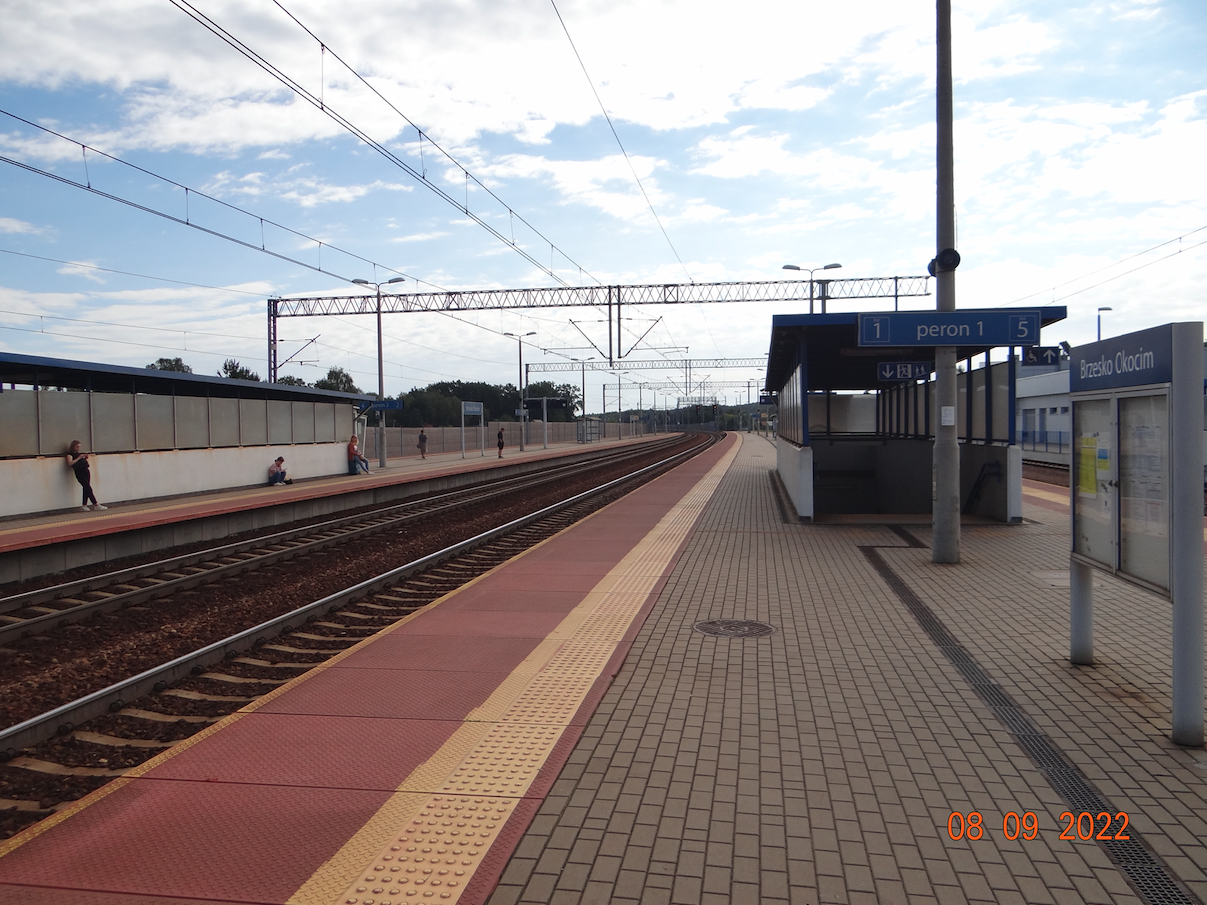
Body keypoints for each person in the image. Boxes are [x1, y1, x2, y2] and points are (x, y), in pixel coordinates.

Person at [66, 440, 106, 511]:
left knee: (86, 488)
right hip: (79, 472)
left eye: (79, 447)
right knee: (88, 487)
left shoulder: (79, 454)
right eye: (77, 447)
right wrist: (79, 458)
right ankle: (95, 504)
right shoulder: (70, 454)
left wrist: (84, 457)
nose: (78, 448)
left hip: (85, 470)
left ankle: (84, 505)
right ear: (73, 446)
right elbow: (70, 463)